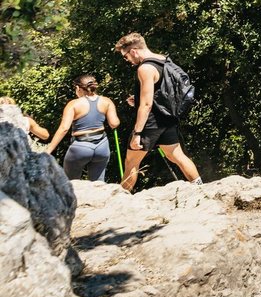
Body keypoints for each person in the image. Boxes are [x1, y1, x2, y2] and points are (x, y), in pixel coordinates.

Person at [113, 33, 202, 189]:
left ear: (133, 51)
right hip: (168, 118)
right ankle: (200, 188)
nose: (127, 60)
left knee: (131, 161)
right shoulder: (163, 60)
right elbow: (161, 90)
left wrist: (137, 133)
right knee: (177, 156)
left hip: (151, 122)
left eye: (126, 56)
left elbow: (146, 104)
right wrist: (138, 98)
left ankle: (122, 198)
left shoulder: (145, 68)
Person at [46, 75, 121, 182]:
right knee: (98, 184)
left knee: (70, 183)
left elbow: (64, 128)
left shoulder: (74, 104)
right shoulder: (106, 101)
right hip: (102, 146)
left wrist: (48, 150)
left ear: (78, 88)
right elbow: (114, 123)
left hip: (80, 147)